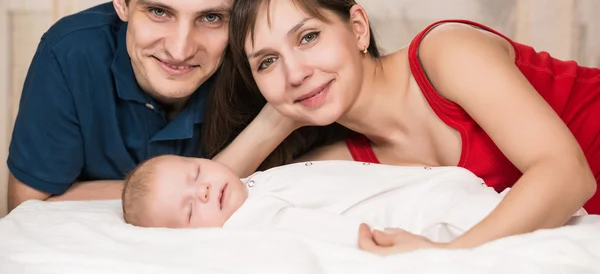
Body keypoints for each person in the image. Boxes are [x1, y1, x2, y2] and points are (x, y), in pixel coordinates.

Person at [203, 0, 600, 254]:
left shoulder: (444, 52)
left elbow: (568, 175)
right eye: (267, 62)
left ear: (358, 27)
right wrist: (277, 117)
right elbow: (199, 199)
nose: (294, 72)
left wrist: (448, 255)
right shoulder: (339, 163)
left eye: (308, 37)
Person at [6, 0, 266, 212]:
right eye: (159, 12)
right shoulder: (69, 53)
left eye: (211, 17)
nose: (180, 48)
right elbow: (28, 206)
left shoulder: (261, 60)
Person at [121, 154, 517, 250]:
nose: (204, 190)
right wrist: (370, 242)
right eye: (190, 209)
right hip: (425, 217)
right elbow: (320, 233)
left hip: (433, 188)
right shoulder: (252, 222)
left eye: (195, 173)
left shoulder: (249, 184)